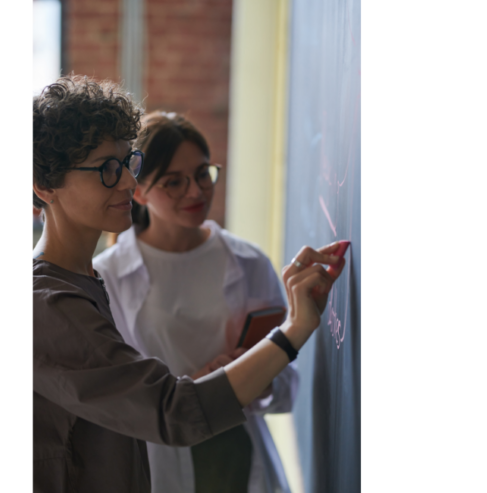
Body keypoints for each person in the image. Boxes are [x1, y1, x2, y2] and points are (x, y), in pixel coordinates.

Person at [32, 75, 346, 493]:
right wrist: (294, 330)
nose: (128, 181)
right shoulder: (47, 304)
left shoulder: (83, 281)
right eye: (107, 169)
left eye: (128, 163)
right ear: (45, 187)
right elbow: (173, 412)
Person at [93, 111, 295, 493]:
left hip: (238, 457)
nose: (196, 192)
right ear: (137, 190)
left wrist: (250, 376)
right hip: (158, 466)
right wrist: (189, 393)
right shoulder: (107, 278)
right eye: (174, 182)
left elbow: (286, 390)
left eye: (203, 174)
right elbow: (108, 401)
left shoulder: (249, 262)